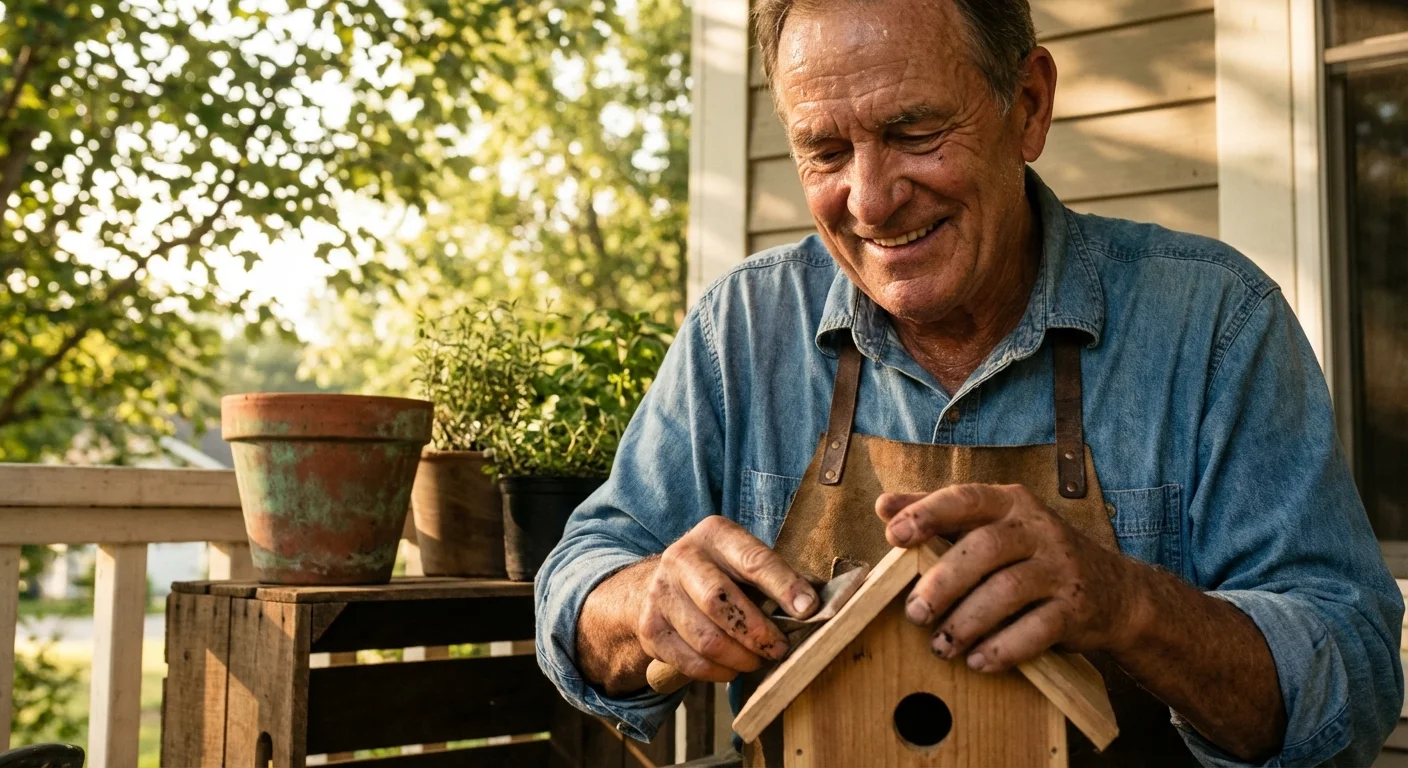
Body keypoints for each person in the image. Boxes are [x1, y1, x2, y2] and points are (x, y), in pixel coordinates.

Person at [535, 0, 1404, 764]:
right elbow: (577, 585)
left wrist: (1128, 604)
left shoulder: (1213, 321)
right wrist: (644, 601)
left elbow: (1353, 683)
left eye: (914, 133)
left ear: (1027, 106)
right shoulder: (743, 329)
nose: (870, 201)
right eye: (825, 150)